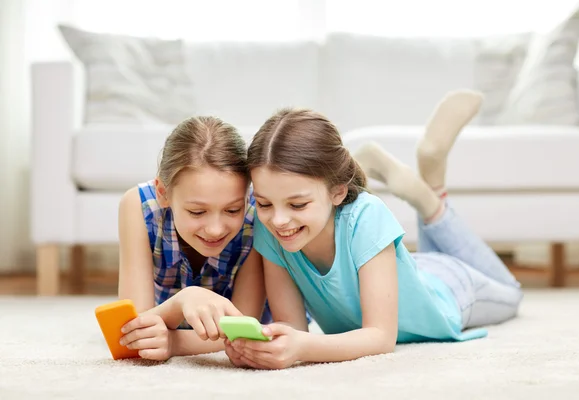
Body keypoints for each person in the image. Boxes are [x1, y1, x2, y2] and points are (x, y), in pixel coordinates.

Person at [226, 91, 524, 370]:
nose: (278, 220)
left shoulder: (367, 216)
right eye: (264, 203)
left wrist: (302, 348)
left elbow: (380, 338)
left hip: (452, 288)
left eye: (298, 204)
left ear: (338, 192)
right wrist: (266, 348)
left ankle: (431, 195)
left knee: (512, 293)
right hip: (402, 270)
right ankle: (429, 190)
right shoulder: (270, 230)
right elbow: (293, 328)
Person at [117, 116, 267, 361]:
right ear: (163, 193)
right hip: (169, 319)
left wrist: (173, 342)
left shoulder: (258, 215)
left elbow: (242, 330)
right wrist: (182, 301)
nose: (216, 230)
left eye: (232, 210)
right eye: (197, 212)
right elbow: (131, 329)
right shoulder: (139, 205)